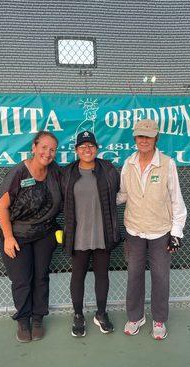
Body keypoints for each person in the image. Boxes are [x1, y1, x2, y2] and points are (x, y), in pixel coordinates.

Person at [117, 119, 187, 340]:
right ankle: (136, 316)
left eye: (148, 136)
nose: (144, 140)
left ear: (156, 138)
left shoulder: (167, 164)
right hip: (134, 229)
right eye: (140, 136)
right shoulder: (128, 164)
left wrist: (176, 232)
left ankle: (159, 318)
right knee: (134, 274)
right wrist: (103, 197)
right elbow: (124, 194)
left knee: (160, 276)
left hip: (160, 231)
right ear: (135, 138)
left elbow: (176, 200)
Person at [0, 131, 62, 343]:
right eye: (43, 147)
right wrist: (8, 237)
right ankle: (23, 320)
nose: (47, 153)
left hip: (44, 233)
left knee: (41, 276)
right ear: (34, 147)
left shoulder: (55, 172)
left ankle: (37, 318)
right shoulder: (18, 173)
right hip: (16, 234)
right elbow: (1, 206)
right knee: (22, 279)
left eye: (52, 149)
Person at [62, 130, 121, 337]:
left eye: (91, 146)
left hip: (102, 234)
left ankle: (101, 313)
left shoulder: (108, 170)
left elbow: (120, 193)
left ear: (97, 149)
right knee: (77, 276)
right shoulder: (68, 173)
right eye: (82, 146)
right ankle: (78, 315)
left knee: (102, 276)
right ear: (76, 150)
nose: (87, 149)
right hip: (78, 237)